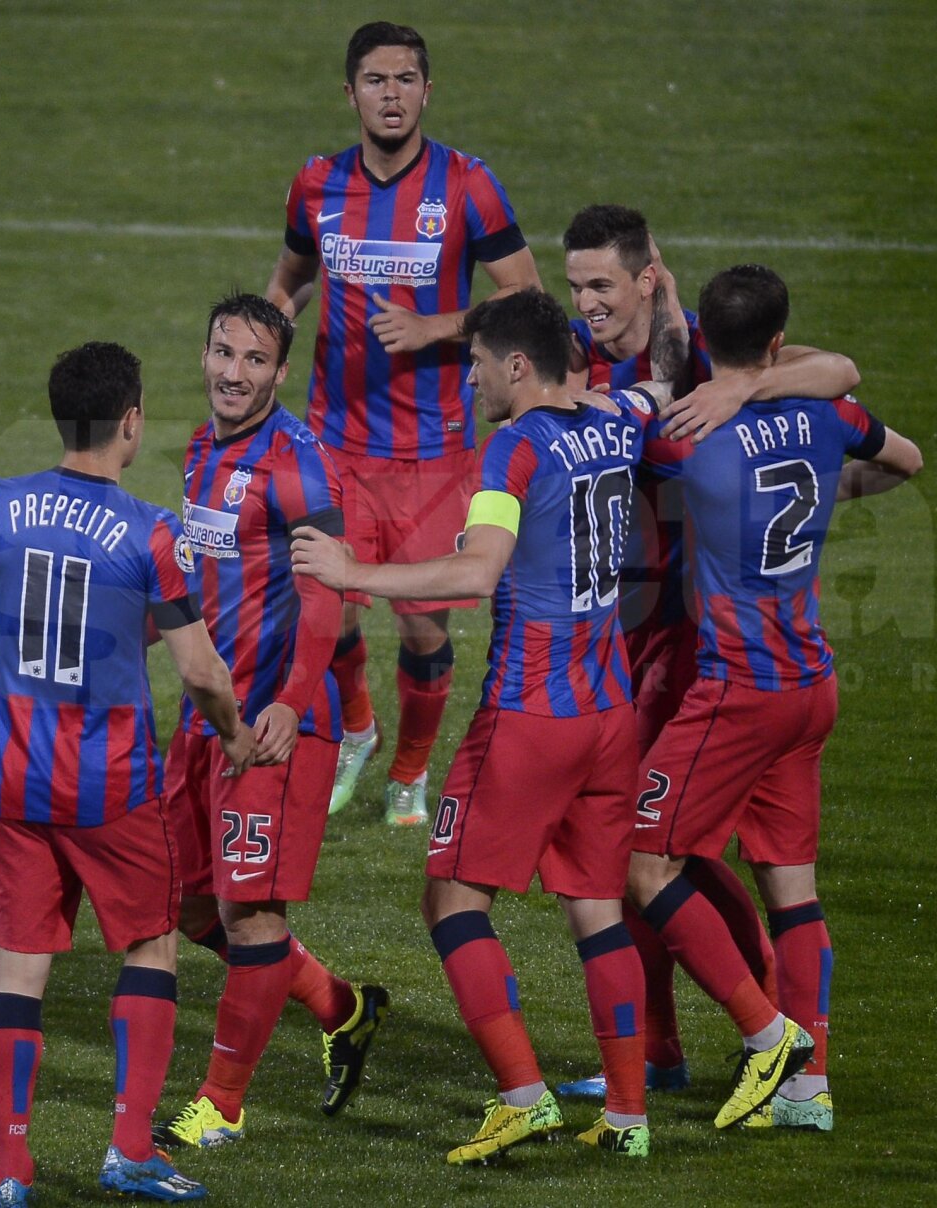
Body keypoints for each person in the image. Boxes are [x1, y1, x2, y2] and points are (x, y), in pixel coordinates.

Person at [292, 288, 675, 1164]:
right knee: (596, 910)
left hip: (528, 718)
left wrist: (356, 571)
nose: (466, 382)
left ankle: (524, 1096)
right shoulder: (619, 422)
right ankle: (626, 1116)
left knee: (451, 900)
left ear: (516, 366)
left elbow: (476, 570)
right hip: (610, 713)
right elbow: (669, 382)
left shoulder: (513, 450)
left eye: (473, 366)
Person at [558, 204, 864, 1101]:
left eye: (603, 285)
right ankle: (677, 1049)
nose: (588, 305)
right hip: (622, 629)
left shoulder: (699, 367)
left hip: (688, 638)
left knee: (647, 853)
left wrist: (738, 390)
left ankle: (753, 1020)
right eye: (577, 287)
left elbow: (840, 368)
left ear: (650, 277)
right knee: (660, 852)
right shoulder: (590, 349)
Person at [0, 341, 259, 1206]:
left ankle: (12, 1168)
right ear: (130, 421)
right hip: (112, 783)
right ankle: (129, 1149)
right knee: (151, 946)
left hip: (15, 778)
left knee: (19, 970)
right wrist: (232, 737)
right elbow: (199, 671)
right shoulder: (150, 530)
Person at [623, 264, 923, 1131]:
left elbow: (646, 409)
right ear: (780, 340)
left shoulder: (687, 434)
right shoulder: (828, 414)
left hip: (736, 693)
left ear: (711, 343)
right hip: (810, 688)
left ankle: (767, 1038)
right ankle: (809, 1089)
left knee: (645, 865)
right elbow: (906, 458)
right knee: (793, 892)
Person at [265, 20, 541, 826]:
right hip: (335, 443)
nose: (393, 94)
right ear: (349, 94)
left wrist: (437, 328)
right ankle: (357, 729)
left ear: (428, 91)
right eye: (377, 81)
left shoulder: (468, 185)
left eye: (406, 79)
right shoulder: (316, 185)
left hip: (435, 454)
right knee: (331, 606)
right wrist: (263, 337)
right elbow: (291, 280)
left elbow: (525, 296)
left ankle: (411, 774)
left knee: (423, 630)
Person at [155, 293, 388, 1151]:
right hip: (208, 714)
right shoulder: (198, 449)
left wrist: (290, 700)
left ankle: (221, 1104)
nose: (233, 372)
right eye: (223, 352)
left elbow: (325, 594)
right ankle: (343, 1007)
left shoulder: (297, 463)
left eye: (255, 360)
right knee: (184, 903)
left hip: (275, 725)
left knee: (250, 915)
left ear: (281, 371)